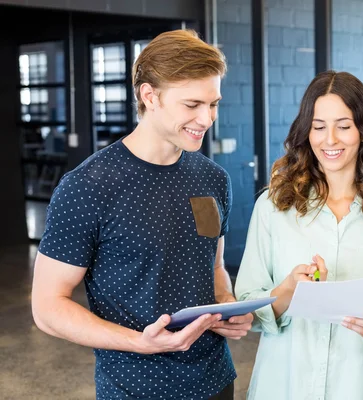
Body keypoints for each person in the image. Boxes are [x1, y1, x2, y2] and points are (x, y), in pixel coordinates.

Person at [31, 29, 253, 400]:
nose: (207, 118)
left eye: (213, 104)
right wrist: (140, 342)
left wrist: (228, 307)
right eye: (192, 104)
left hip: (215, 381)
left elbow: (212, 268)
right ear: (149, 96)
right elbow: (47, 306)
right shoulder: (87, 187)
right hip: (135, 388)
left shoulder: (213, 178)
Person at [234, 70, 363, 399]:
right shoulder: (273, 207)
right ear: (307, 131)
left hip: (356, 386)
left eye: (343, 126)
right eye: (318, 127)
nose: (329, 139)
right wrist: (288, 290)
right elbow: (248, 306)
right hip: (282, 385)